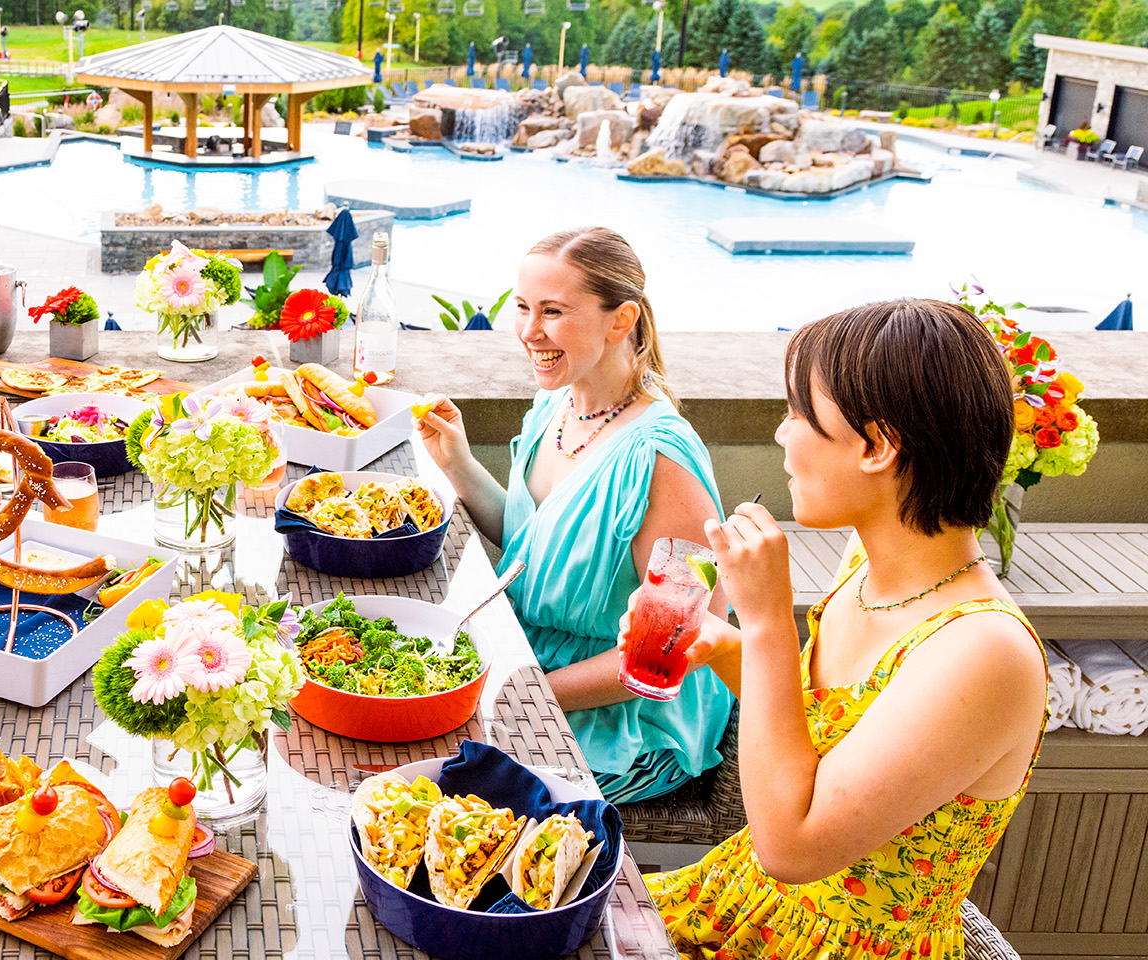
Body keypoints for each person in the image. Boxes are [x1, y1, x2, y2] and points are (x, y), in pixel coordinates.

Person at [643, 299, 1046, 958]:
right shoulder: (865, 561)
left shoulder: (985, 652)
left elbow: (791, 847)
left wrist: (769, 618)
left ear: (879, 445)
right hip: (742, 904)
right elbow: (823, 730)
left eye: (799, 414)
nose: (782, 435)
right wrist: (719, 644)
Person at [415, 226, 732, 803]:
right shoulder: (555, 408)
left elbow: (665, 656)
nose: (529, 332)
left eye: (553, 311)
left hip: (621, 722)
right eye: (522, 308)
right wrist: (457, 464)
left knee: (416, 778)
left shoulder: (665, 463)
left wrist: (522, 693)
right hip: (519, 666)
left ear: (621, 320)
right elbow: (531, 547)